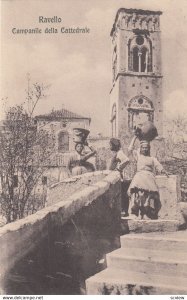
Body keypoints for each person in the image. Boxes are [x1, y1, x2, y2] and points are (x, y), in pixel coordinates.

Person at [128, 134, 168, 220]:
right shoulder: (138, 156)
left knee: (148, 196)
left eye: (146, 147)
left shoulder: (152, 159)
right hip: (139, 176)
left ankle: (145, 213)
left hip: (149, 177)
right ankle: (136, 212)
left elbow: (159, 166)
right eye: (143, 147)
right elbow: (130, 149)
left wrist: (164, 171)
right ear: (141, 148)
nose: (145, 149)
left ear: (149, 149)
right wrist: (135, 137)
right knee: (138, 194)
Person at [108, 138, 130, 217]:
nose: (109, 146)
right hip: (114, 177)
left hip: (119, 177)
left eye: (110, 144)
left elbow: (127, 160)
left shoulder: (119, 153)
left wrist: (119, 168)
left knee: (122, 195)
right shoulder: (115, 153)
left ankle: (124, 211)